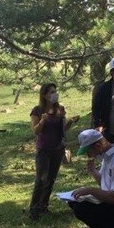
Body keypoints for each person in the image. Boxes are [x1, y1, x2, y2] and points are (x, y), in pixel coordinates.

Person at [29, 83, 79, 220]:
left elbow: (63, 129)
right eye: (51, 92)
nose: (54, 94)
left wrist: (70, 121)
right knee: (41, 180)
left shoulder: (60, 109)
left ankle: (43, 206)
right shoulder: (37, 111)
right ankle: (33, 209)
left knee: (50, 179)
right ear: (44, 95)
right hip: (43, 150)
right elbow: (35, 131)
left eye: (55, 91)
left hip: (58, 149)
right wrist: (43, 121)